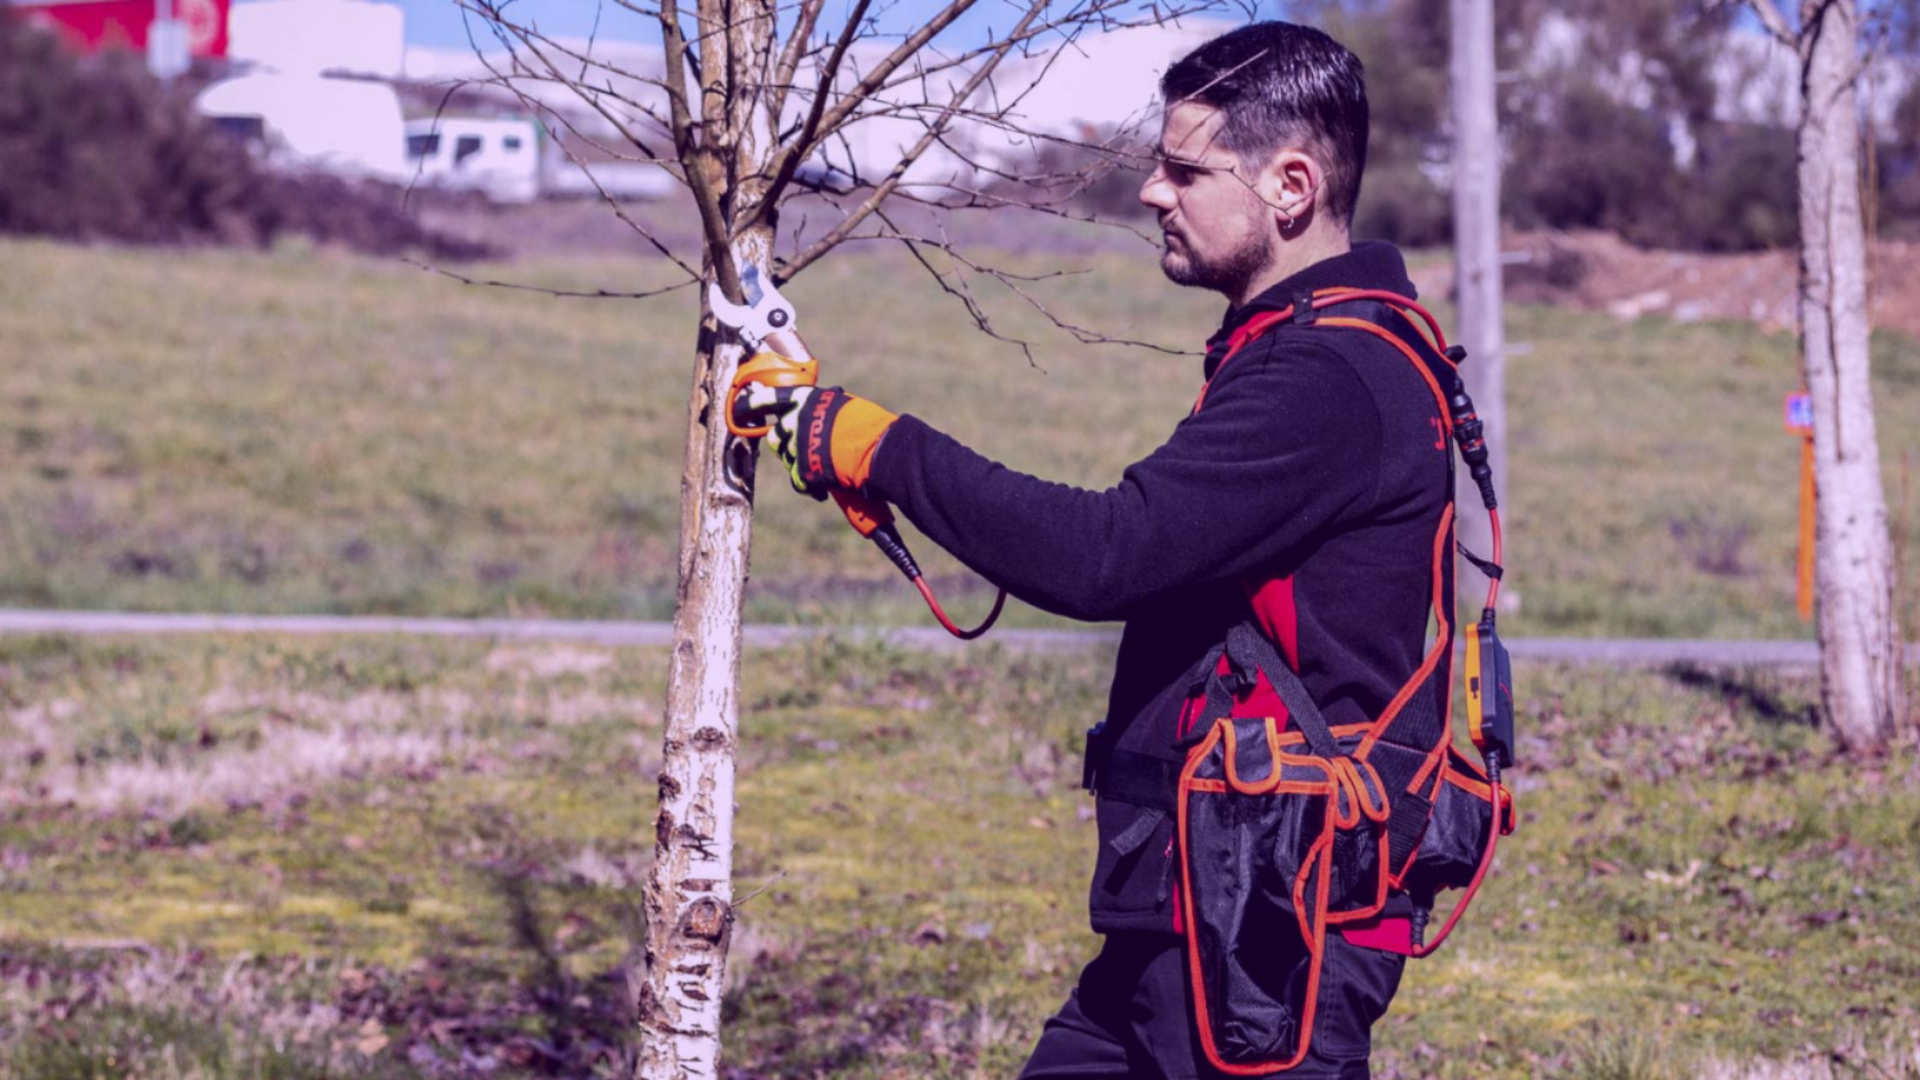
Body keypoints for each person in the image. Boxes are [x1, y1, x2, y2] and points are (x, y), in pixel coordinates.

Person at [747, 21, 1451, 1080]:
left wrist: (875, 445)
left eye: (1181, 169)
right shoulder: (1334, 345)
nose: (1151, 194)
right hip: (1198, 905)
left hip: (1264, 933)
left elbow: (1103, 553)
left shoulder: (1328, 377)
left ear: (1290, 185)